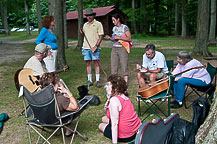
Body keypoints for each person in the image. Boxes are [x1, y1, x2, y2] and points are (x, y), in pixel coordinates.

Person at [99, 75, 141, 143]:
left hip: (126, 135)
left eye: (109, 85)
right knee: (103, 118)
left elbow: (115, 124)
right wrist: (107, 105)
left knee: (101, 125)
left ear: (116, 88)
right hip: (135, 130)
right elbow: (109, 115)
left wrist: (114, 142)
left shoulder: (114, 101)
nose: (106, 87)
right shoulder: (123, 95)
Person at [104, 13, 132, 83]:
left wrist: (119, 37)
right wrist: (110, 38)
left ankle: (125, 83)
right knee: (113, 65)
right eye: (112, 20)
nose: (113, 22)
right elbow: (114, 39)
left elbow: (129, 38)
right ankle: (114, 83)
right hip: (114, 48)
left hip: (122, 48)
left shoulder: (124, 27)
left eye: (114, 20)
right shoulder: (114, 28)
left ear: (118, 19)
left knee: (124, 65)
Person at [81, 8, 104, 88]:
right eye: (87, 16)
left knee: (96, 64)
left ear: (93, 15)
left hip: (95, 48)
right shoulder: (85, 25)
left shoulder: (98, 24)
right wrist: (82, 33)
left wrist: (96, 46)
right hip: (86, 48)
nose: (89, 17)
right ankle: (89, 80)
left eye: (90, 15)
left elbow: (101, 36)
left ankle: (97, 81)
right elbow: (85, 36)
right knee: (88, 63)